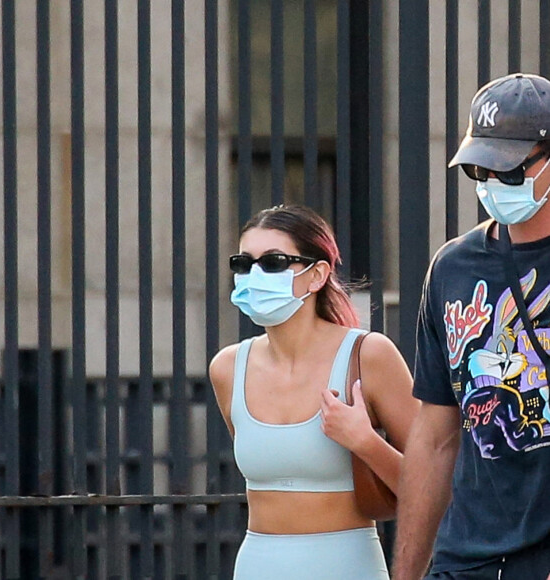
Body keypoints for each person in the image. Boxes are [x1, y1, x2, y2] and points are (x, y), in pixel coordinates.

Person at [393, 72, 550, 580]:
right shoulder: (452, 267)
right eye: (478, 172)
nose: (489, 185)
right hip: (466, 561)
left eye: (506, 172)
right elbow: (435, 436)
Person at [209, 204, 418, 579]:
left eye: (273, 262)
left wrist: (364, 441)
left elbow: (432, 485)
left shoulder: (368, 355)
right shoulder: (227, 368)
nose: (254, 275)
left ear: (317, 274)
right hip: (258, 564)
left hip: (347, 564)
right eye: (244, 263)